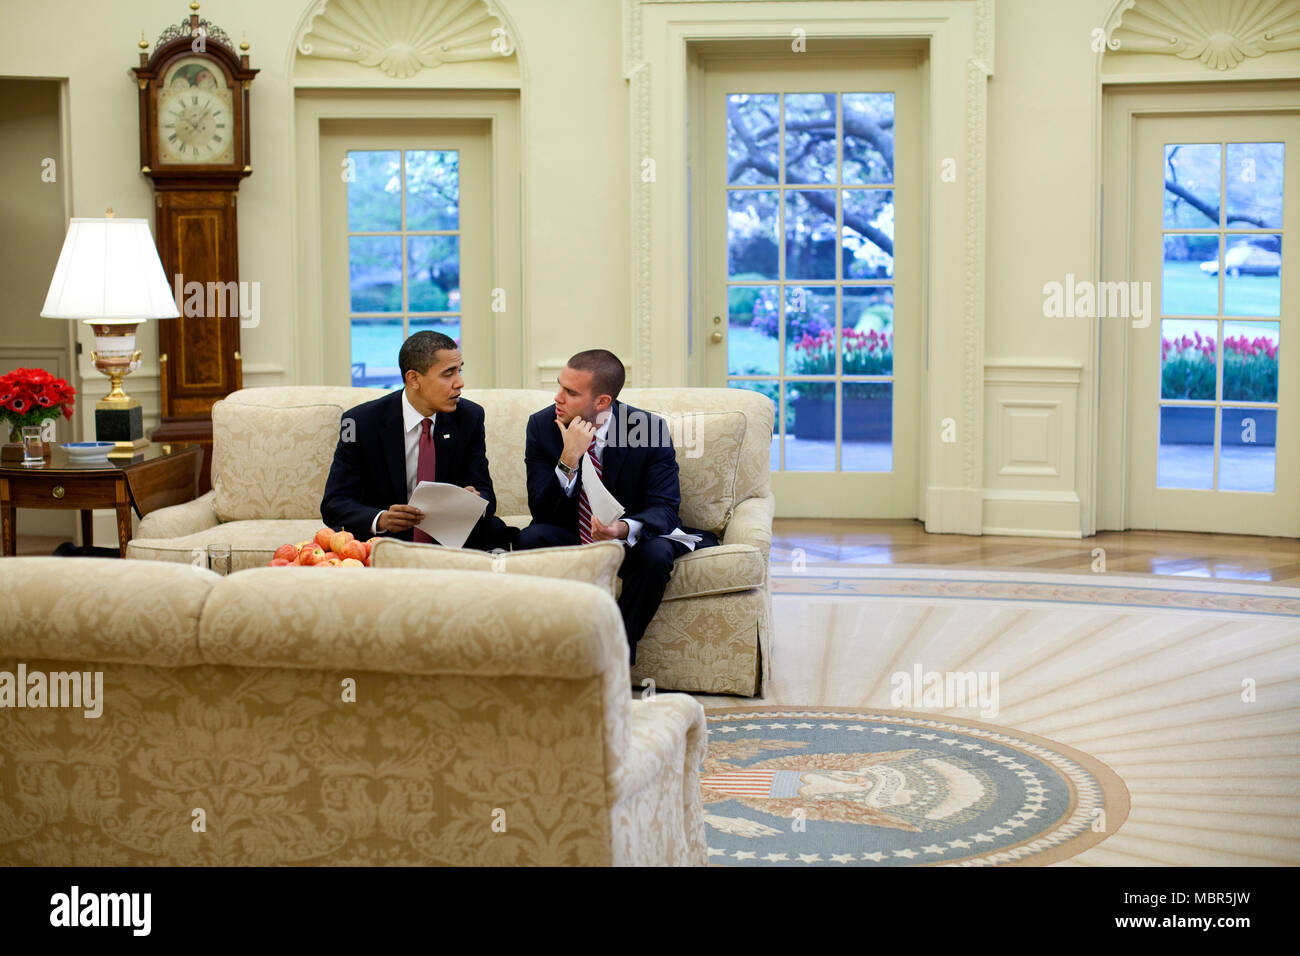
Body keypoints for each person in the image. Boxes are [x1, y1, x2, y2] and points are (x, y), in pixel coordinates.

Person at [514, 349, 717, 663]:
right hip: (570, 534)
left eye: (570, 392)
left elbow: (664, 506)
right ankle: (545, 651)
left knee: (657, 553)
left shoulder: (645, 428)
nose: (558, 398)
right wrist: (569, 458)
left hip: (627, 542)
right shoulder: (542, 425)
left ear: (602, 402)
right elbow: (541, 510)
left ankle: (615, 652)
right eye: (559, 386)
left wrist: (620, 528)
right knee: (529, 539)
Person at [321, 331, 514, 551]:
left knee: (496, 530)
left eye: (459, 371)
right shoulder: (359, 422)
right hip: (388, 540)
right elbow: (334, 504)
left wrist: (472, 502)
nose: (460, 383)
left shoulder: (470, 417)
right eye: (448, 374)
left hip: (449, 538)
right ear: (413, 379)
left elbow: (487, 496)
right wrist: (382, 519)